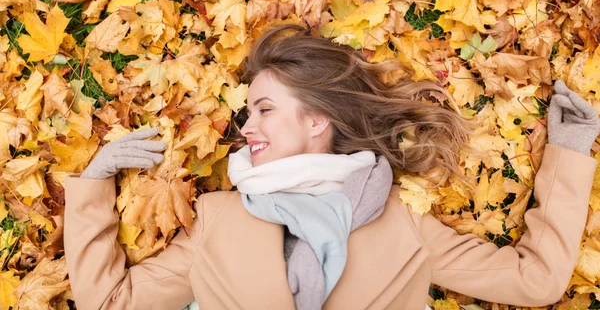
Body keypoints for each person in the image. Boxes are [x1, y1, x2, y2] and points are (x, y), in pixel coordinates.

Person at [64, 24, 600, 310]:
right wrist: (92, 185)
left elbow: (537, 281)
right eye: (248, 112)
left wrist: (571, 148)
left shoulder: (404, 225)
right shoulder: (217, 220)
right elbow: (112, 303)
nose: (245, 127)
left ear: (318, 120)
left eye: (264, 110)